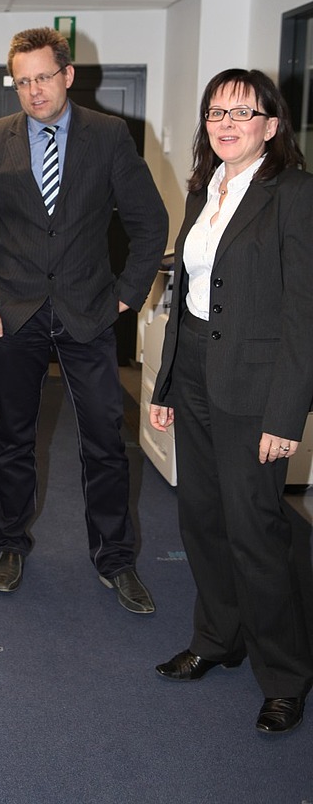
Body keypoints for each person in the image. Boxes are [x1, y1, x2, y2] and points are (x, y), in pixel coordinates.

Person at [0, 27, 168, 612]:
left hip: (89, 310)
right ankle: (10, 542)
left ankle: (115, 559)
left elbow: (150, 223)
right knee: (14, 437)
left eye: (43, 77)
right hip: (14, 310)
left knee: (106, 441)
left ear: (67, 75)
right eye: (23, 81)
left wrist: (127, 294)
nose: (34, 90)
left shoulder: (108, 135)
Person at [149, 68, 313, 734]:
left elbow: (304, 312)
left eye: (243, 113)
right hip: (193, 375)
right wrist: (165, 382)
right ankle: (218, 639)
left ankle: (286, 676)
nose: (226, 123)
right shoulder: (204, 188)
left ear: (271, 126)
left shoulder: (294, 193)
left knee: (255, 533)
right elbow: (186, 297)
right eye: (217, 112)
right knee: (203, 522)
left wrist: (286, 414)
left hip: (255, 388)